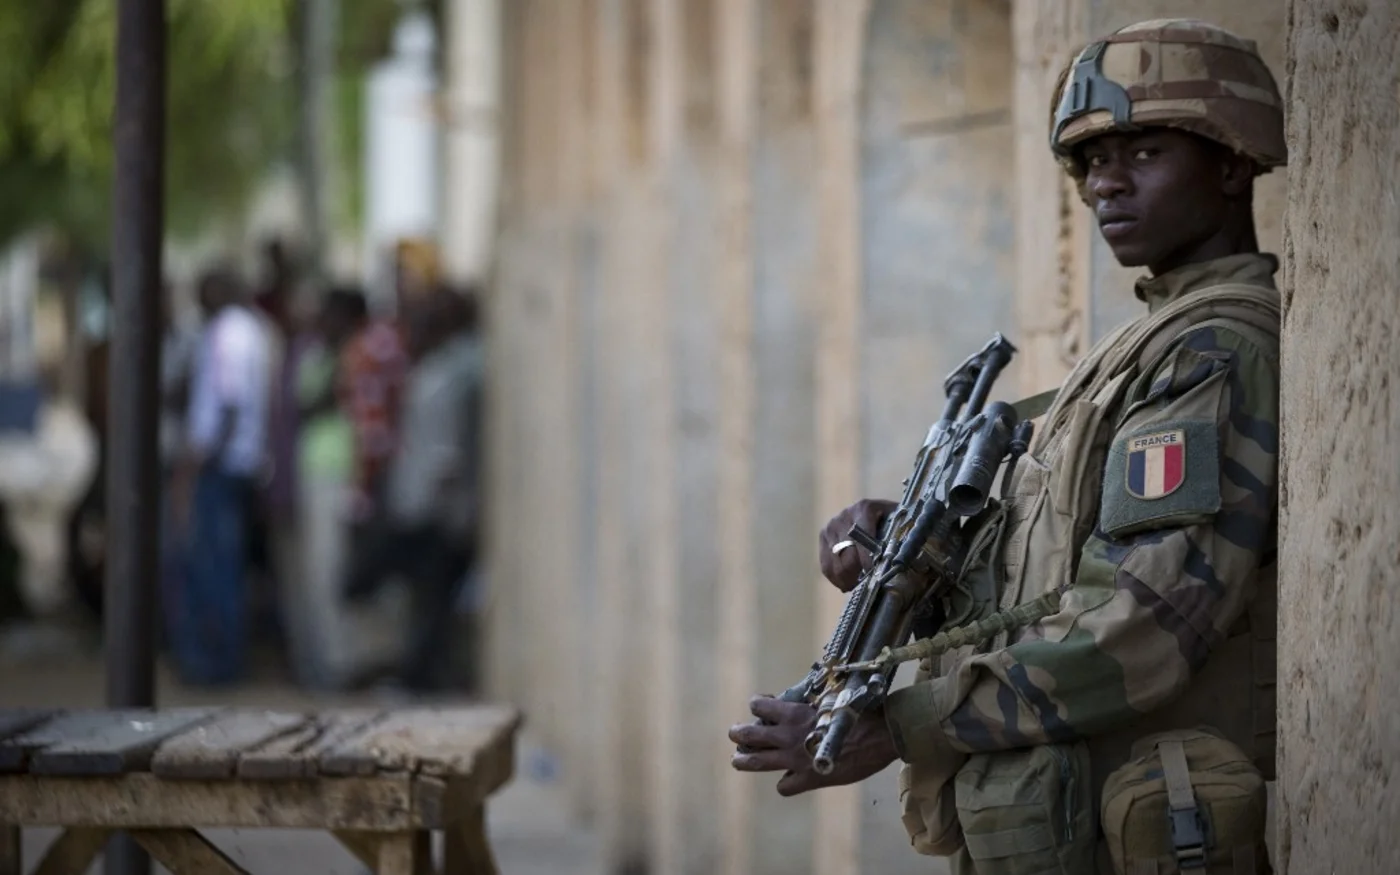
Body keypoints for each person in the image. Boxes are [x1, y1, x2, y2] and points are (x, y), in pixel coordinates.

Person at [730, 19, 1285, 874]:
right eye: (1094, 161)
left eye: (1144, 155)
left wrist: (902, 721)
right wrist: (913, 541)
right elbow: (1038, 562)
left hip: (1147, 825)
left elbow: (1146, 622)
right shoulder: (1130, 356)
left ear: (1232, 162)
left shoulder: (1212, 353)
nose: (1108, 185)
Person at [344, 287, 483, 693]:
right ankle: (419, 673)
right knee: (424, 599)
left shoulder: (452, 374)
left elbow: (448, 454)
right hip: (423, 504)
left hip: (436, 511)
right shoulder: (436, 369)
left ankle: (422, 677)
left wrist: (422, 509)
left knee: (430, 599)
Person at [168, 266, 270, 686]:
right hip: (232, 463)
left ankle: (219, 664)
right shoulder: (246, 329)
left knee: (215, 565)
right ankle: (220, 659)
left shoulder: (230, 332)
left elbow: (229, 405)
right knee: (220, 563)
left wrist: (196, 461)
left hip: (222, 465)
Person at [280, 286, 368, 691]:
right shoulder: (321, 356)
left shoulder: (362, 355)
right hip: (316, 473)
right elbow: (307, 402)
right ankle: (325, 663)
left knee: (335, 570)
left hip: (343, 474)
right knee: (318, 573)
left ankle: (341, 664)